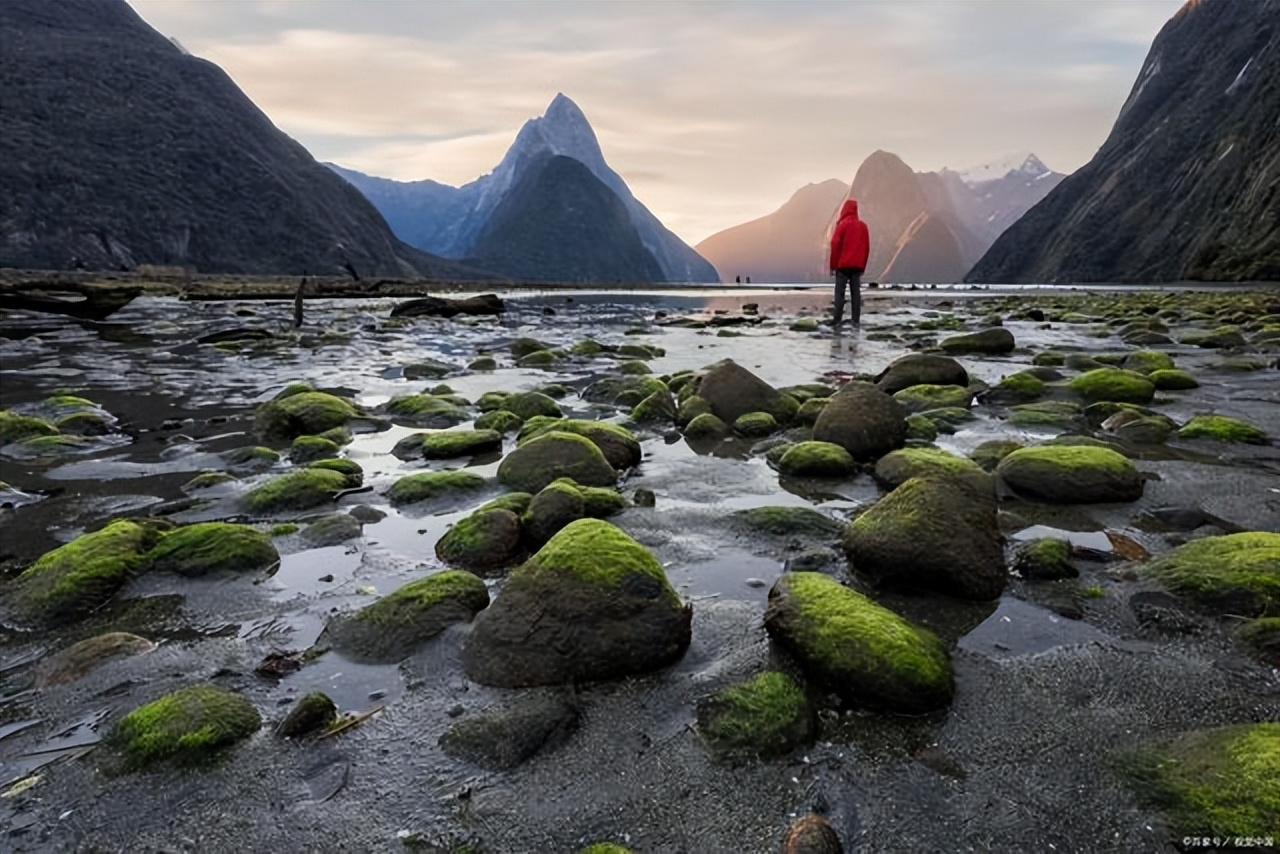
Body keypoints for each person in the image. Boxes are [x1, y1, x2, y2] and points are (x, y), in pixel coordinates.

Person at [828, 198, 870, 326]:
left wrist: (833, 266)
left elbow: (835, 244)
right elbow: (866, 248)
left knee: (839, 293)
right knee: (855, 293)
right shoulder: (863, 226)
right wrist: (863, 266)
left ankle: (837, 320)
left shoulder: (842, 225)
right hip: (857, 266)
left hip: (843, 265)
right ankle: (855, 320)